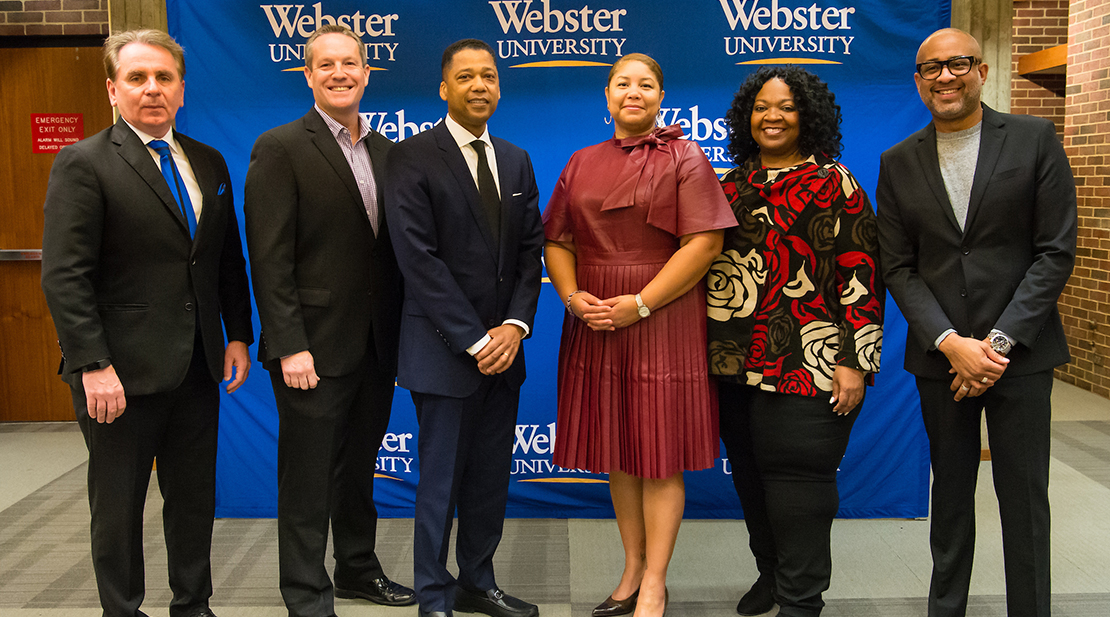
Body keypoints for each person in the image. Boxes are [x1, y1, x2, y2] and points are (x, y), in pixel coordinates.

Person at [40, 29, 253, 617]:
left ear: (182, 89)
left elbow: (223, 257)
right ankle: (122, 610)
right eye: (136, 78)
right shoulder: (82, 163)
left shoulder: (207, 161)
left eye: (164, 77)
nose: (151, 89)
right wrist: (92, 363)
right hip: (118, 374)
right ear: (113, 90)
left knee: (193, 500)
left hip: (197, 366)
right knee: (119, 506)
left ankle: (193, 605)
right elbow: (65, 276)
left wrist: (238, 333)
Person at [876, 28, 1076, 617]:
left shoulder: (1035, 139)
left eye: (958, 64)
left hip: (1021, 355)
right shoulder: (898, 161)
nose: (945, 76)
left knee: (1024, 501)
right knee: (952, 502)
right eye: (932, 68)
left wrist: (994, 344)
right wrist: (948, 342)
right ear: (918, 81)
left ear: (981, 71)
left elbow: (1055, 251)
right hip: (942, 362)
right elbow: (899, 266)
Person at [543, 53, 735, 617]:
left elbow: (704, 245)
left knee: (659, 454)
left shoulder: (687, 155)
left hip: (664, 312)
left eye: (646, 83)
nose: (634, 92)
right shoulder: (581, 161)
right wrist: (573, 298)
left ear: (660, 96)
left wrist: (643, 304)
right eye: (623, 83)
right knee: (620, 454)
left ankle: (656, 580)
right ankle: (630, 568)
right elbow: (557, 240)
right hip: (595, 316)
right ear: (607, 97)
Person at [243, 23, 414, 617]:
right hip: (309, 348)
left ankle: (357, 571)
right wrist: (290, 344)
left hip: (375, 345)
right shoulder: (280, 146)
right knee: (308, 477)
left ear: (367, 73)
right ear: (309, 75)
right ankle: (306, 593)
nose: (340, 73)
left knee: (357, 470)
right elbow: (268, 257)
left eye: (351, 63)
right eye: (327, 65)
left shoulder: (390, 152)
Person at [707, 66, 883, 617]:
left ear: (807, 115)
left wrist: (855, 362)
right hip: (732, 363)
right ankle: (773, 576)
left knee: (799, 486)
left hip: (812, 360)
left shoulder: (838, 183)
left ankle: (802, 600)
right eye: (762, 106)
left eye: (785, 106)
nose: (772, 116)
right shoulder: (725, 185)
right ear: (746, 117)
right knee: (753, 478)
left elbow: (862, 275)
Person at [383, 39, 544, 617]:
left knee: (487, 483)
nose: (481, 85)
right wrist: (477, 339)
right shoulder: (411, 156)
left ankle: (478, 582)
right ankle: (433, 594)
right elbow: (418, 260)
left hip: (505, 353)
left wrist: (514, 326)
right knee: (441, 484)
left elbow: (531, 253)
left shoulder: (517, 158)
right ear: (445, 88)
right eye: (467, 77)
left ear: (499, 88)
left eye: (490, 76)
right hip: (445, 351)